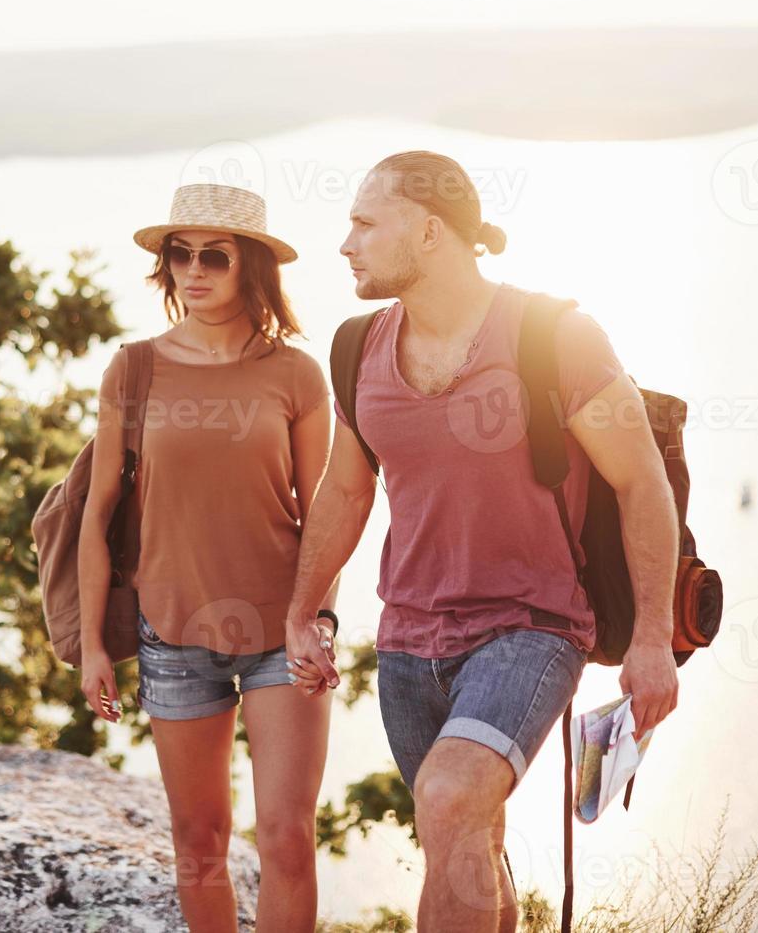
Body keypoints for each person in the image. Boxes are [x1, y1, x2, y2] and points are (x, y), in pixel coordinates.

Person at [283, 151, 681, 932]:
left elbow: (642, 483)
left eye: (365, 222)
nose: (345, 243)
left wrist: (653, 640)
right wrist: (304, 612)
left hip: (530, 628)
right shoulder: (358, 347)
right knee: (466, 842)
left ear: (430, 232)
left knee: (448, 797)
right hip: (406, 644)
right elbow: (345, 488)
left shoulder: (555, 336)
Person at [77, 182, 341, 933]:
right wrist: (94, 646)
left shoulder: (296, 374)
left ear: (250, 267)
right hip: (172, 633)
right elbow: (98, 517)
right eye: (179, 255)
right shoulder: (132, 371)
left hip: (280, 631)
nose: (193, 271)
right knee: (199, 844)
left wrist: (315, 619)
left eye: (213, 257)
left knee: (288, 838)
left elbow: (324, 513)